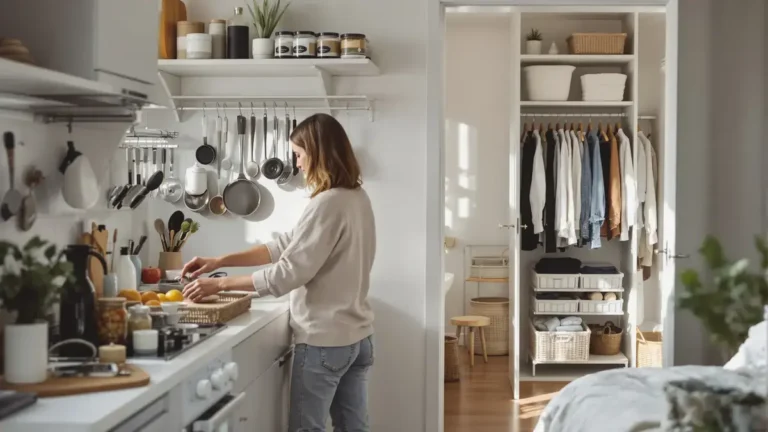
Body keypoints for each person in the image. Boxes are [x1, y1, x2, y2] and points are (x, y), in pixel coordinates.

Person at [180, 113, 376, 432]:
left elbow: (287, 274)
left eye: (299, 154)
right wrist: (220, 261)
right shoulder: (356, 196)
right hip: (357, 338)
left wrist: (220, 285)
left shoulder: (327, 203)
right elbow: (286, 244)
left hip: (325, 341)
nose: (297, 164)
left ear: (318, 152)